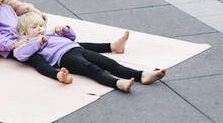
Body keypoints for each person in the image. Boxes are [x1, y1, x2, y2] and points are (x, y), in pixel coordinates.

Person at [0, 0, 134, 84]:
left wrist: (31, 24)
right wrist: (14, 44)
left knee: (65, 45)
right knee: (37, 59)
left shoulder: (5, 7)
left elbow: (16, 22)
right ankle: (57, 75)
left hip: (24, 38)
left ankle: (112, 46)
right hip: (11, 47)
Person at [14, 11, 166, 92]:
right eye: (34, 27)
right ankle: (117, 83)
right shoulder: (30, 42)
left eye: (41, 25)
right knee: (92, 69)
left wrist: (65, 29)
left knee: (108, 62)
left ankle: (141, 75)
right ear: (25, 33)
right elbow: (20, 54)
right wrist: (36, 43)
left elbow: (73, 37)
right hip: (65, 58)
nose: (40, 29)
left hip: (77, 49)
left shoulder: (50, 33)